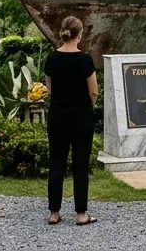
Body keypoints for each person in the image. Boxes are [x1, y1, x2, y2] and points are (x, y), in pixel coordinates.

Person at [44, 16, 98, 226]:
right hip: (81, 117)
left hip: (57, 116)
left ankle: (54, 212)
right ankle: (81, 213)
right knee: (80, 164)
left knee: (56, 162)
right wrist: (86, 105)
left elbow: (49, 89)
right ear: (80, 34)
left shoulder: (52, 59)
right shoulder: (84, 60)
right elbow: (93, 91)